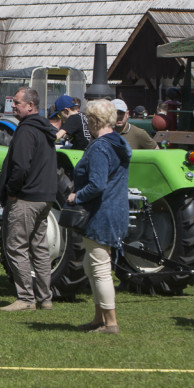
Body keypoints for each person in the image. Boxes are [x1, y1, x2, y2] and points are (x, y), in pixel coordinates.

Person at [67, 99, 131, 334]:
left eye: (88, 120)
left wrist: (76, 197)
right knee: (91, 265)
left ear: (94, 121)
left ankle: (110, 323)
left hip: (101, 213)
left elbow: (96, 185)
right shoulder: (119, 143)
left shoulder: (100, 147)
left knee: (100, 267)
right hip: (115, 210)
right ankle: (98, 318)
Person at [0, 86, 58, 312]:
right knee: (39, 248)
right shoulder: (45, 129)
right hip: (45, 197)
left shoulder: (26, 131)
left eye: (17, 103)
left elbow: (20, 166)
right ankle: (45, 298)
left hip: (26, 197)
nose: (12, 106)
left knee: (16, 246)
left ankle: (25, 298)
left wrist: (12, 191)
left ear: (30, 106)